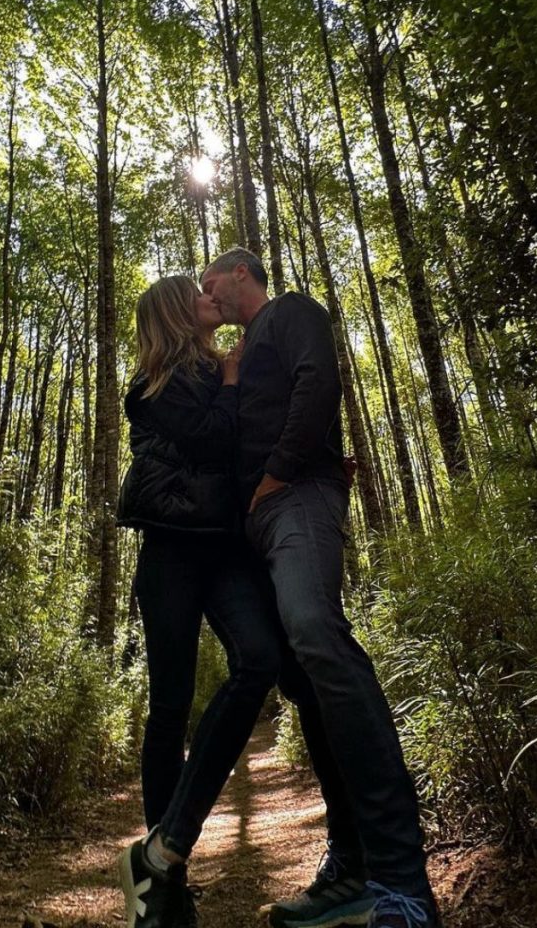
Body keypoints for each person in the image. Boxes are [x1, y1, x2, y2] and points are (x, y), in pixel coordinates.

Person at [200, 248, 441, 928]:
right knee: (300, 679)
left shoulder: (291, 311)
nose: (205, 292)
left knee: (316, 633)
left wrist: (281, 472)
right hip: (257, 522)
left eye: (208, 280)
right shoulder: (239, 357)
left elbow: (318, 382)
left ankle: (403, 886)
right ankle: (352, 867)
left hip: (297, 496)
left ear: (239, 273)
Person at [116, 274, 281, 928]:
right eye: (195, 292)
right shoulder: (151, 387)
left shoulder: (224, 369)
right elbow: (214, 437)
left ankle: (161, 847)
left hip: (228, 549)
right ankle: (165, 885)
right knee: (170, 706)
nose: (209, 294)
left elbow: (251, 437)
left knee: (259, 661)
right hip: (172, 551)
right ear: (175, 313)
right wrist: (235, 378)